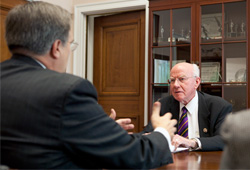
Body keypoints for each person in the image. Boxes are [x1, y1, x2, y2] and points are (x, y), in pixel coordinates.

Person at [0, 2, 177, 169]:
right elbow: (135, 157)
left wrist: (95, 127)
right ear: (56, 47)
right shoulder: (66, 91)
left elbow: (39, 134)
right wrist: (162, 132)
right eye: (70, 44)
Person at [142, 62, 232, 151]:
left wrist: (192, 142)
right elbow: (147, 134)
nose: (176, 85)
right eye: (172, 80)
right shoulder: (164, 105)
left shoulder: (218, 106)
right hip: (172, 161)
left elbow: (224, 140)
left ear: (196, 82)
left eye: (182, 79)